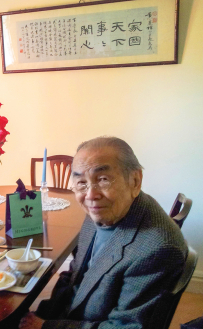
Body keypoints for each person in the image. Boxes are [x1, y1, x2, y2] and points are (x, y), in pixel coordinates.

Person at [20, 136, 187, 329]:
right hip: (72, 312)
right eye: (81, 182)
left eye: (103, 179)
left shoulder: (157, 249)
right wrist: (47, 313)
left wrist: (47, 326)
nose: (90, 195)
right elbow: (75, 272)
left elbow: (125, 326)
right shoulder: (103, 210)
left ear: (135, 180)